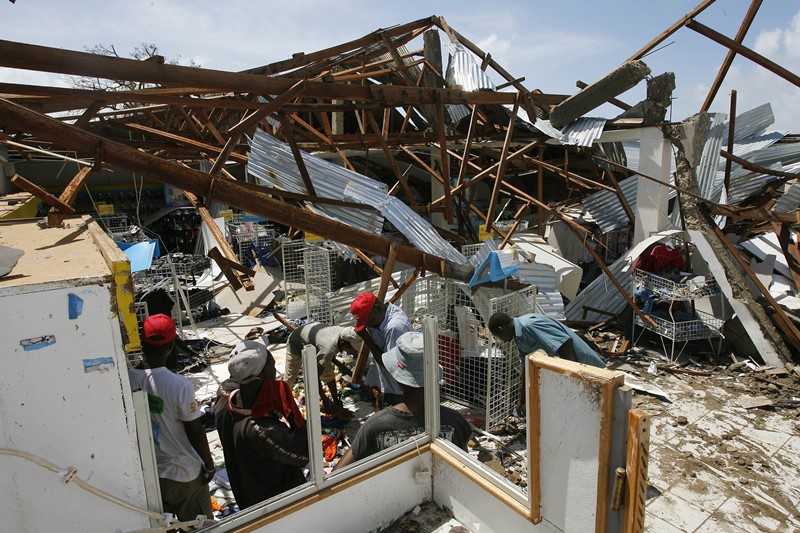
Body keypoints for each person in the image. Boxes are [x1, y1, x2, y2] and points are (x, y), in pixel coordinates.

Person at [333, 331, 472, 470]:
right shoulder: (457, 422)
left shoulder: (375, 426)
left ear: (397, 377)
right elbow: (465, 470)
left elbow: (336, 475)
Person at [127, 314, 215, 522]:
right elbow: (194, 430)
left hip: (151, 475)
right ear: (171, 346)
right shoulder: (179, 385)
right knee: (200, 526)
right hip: (183, 473)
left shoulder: (127, 379)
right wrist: (209, 465)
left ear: (142, 342)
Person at [214, 333, 309, 510]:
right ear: (265, 373)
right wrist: (292, 412)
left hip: (245, 493)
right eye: (272, 366)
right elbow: (304, 452)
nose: (276, 371)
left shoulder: (223, 396)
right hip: (275, 504)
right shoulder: (261, 429)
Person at [284, 322, 363, 418]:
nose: (351, 353)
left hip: (315, 342)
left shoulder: (343, 333)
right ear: (344, 344)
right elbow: (314, 377)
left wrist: (336, 399)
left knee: (328, 373)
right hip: (296, 342)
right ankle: (282, 403)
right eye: (352, 350)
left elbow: (326, 369)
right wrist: (325, 400)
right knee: (290, 377)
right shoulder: (329, 349)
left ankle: (335, 399)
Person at [349, 292, 411, 405]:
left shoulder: (395, 327)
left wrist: (367, 339)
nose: (368, 325)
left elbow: (389, 366)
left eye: (369, 320)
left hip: (400, 392)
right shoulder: (380, 316)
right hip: (389, 387)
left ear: (377, 308)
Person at [487, 312, 606, 369]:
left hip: (587, 366)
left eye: (497, 336)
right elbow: (526, 368)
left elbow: (565, 343)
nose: (500, 340)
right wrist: (522, 401)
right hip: (575, 369)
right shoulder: (519, 338)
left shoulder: (529, 325)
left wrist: (567, 374)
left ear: (501, 329)